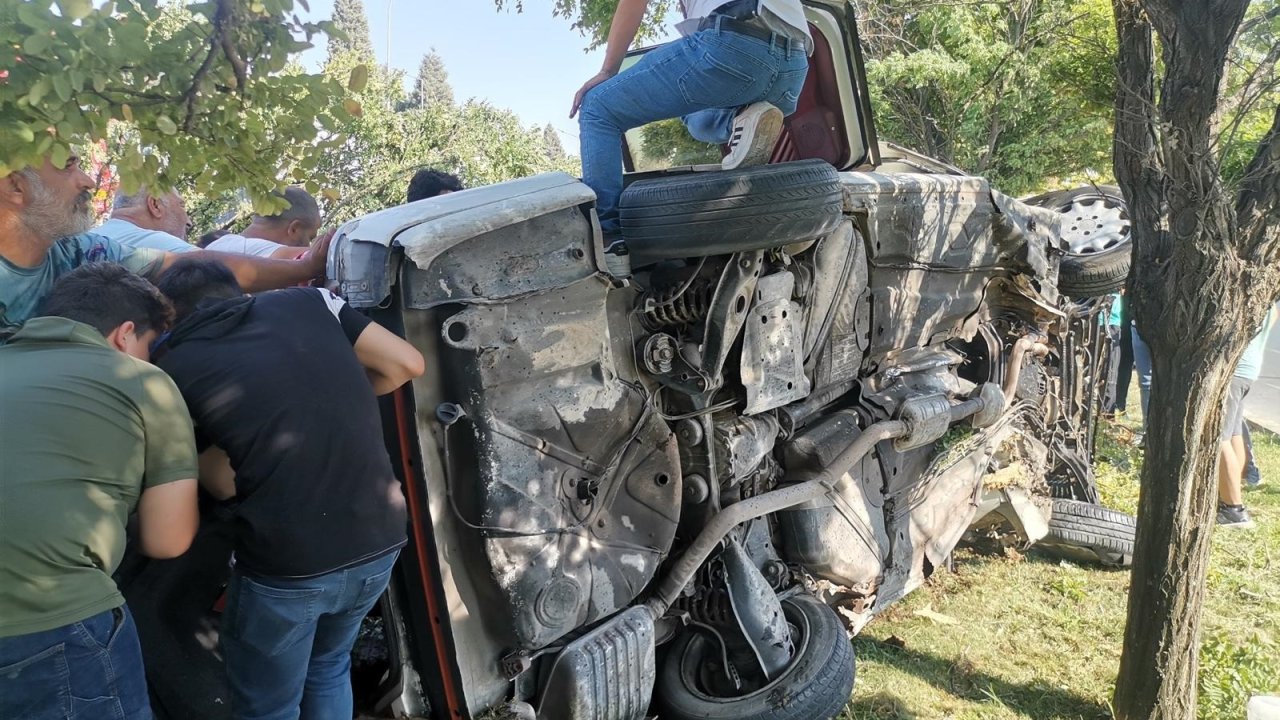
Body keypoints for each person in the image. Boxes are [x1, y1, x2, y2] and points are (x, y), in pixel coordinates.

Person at [152, 257, 425, 720]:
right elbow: (407, 363)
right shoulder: (312, 302)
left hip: (289, 563)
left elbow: (221, 484)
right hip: (382, 534)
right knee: (329, 666)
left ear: (170, 316)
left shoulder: (169, 367)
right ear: (237, 290)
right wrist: (326, 399)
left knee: (267, 705)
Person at [0, 263, 200, 720]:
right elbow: (168, 541)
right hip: (53, 624)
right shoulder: (142, 380)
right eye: (151, 346)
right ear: (125, 334)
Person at [0, 156, 331, 339]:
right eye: (69, 167)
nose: (88, 180)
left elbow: (191, 266)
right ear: (17, 186)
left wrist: (302, 268)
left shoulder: (81, 251)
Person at [571, 0, 812, 246]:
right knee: (697, 120)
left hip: (734, 42)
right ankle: (738, 119)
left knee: (597, 107)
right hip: (795, 68)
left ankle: (609, 239)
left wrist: (608, 71)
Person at [1218, 306, 1277, 529]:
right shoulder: (1269, 300)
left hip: (1234, 369)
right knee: (1233, 434)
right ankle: (1229, 494)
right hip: (1249, 369)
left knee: (1218, 438)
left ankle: (1234, 509)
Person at [204, 186, 322, 259]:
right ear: (294, 229)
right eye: (310, 238)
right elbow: (318, 256)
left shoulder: (224, 245)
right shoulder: (243, 249)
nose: (309, 246)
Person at [97, 187, 197, 253]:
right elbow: (210, 266)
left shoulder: (86, 240)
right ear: (155, 205)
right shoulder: (169, 249)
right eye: (181, 206)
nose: (189, 222)